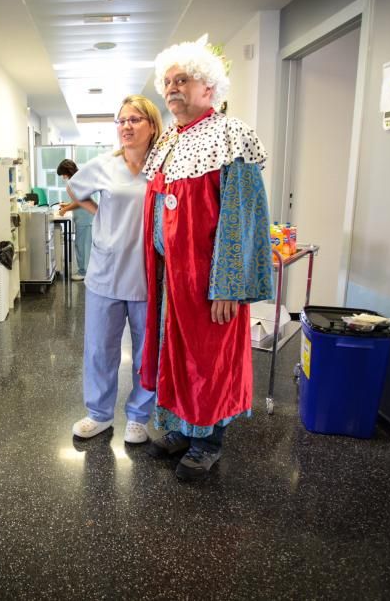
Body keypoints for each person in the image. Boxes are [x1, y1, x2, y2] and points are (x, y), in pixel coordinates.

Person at [140, 35, 273, 481]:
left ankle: (207, 442)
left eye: (185, 80)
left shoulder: (232, 135)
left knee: (207, 363)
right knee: (176, 358)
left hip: (208, 280)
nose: (174, 88)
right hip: (171, 280)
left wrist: (228, 286)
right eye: (169, 81)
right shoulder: (170, 141)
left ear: (209, 89)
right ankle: (181, 428)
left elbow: (243, 217)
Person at [68, 95, 163, 445]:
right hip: (105, 274)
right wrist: (100, 215)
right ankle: (99, 414)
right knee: (99, 349)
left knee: (145, 353)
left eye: (135, 119)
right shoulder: (104, 165)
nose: (126, 126)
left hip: (146, 276)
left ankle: (139, 416)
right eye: (121, 120)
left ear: (152, 126)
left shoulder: (162, 168)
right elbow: (75, 189)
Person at [55, 159, 95, 281]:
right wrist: (67, 204)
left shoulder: (74, 182)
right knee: (83, 245)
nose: (63, 177)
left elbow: (80, 202)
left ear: (67, 171)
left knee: (82, 246)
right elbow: (79, 200)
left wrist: (65, 209)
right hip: (85, 217)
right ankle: (85, 271)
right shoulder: (79, 179)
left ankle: (83, 272)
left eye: (63, 174)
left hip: (85, 218)